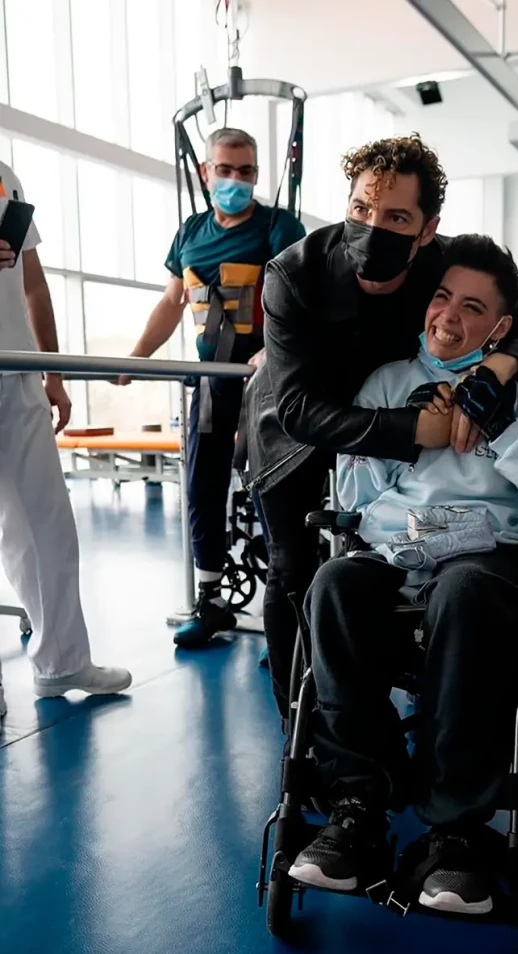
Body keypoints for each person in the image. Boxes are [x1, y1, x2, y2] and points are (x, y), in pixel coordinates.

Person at [287, 235, 518, 913]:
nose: (449, 315)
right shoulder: (389, 382)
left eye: (473, 306)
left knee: (467, 588)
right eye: (443, 297)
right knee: (332, 585)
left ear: (503, 326)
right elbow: (358, 501)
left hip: (490, 564)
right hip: (399, 553)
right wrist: (403, 439)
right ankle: (359, 804)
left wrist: (505, 432)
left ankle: (456, 830)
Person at [246, 134, 518, 721]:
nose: (374, 226)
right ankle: (308, 738)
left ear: (425, 230)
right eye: (361, 210)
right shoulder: (292, 276)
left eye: (397, 216)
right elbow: (297, 409)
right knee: (297, 573)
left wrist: (496, 371)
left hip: (407, 418)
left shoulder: (441, 267)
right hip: (296, 433)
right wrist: (416, 430)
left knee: (450, 585)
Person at [118, 128, 305, 648]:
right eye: (225, 170)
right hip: (211, 381)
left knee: (273, 492)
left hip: (266, 382)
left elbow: (300, 299)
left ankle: (286, 615)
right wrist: (135, 358)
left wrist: (276, 351)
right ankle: (211, 599)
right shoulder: (191, 233)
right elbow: (171, 303)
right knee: (202, 486)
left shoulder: (276, 227)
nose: (236, 181)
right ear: (206, 172)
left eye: (246, 172)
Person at [0, 162, 131, 720]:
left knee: (47, 523)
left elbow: (31, 281)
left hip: (20, 370)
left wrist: (53, 370)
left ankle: (61, 662)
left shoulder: (5, 176)